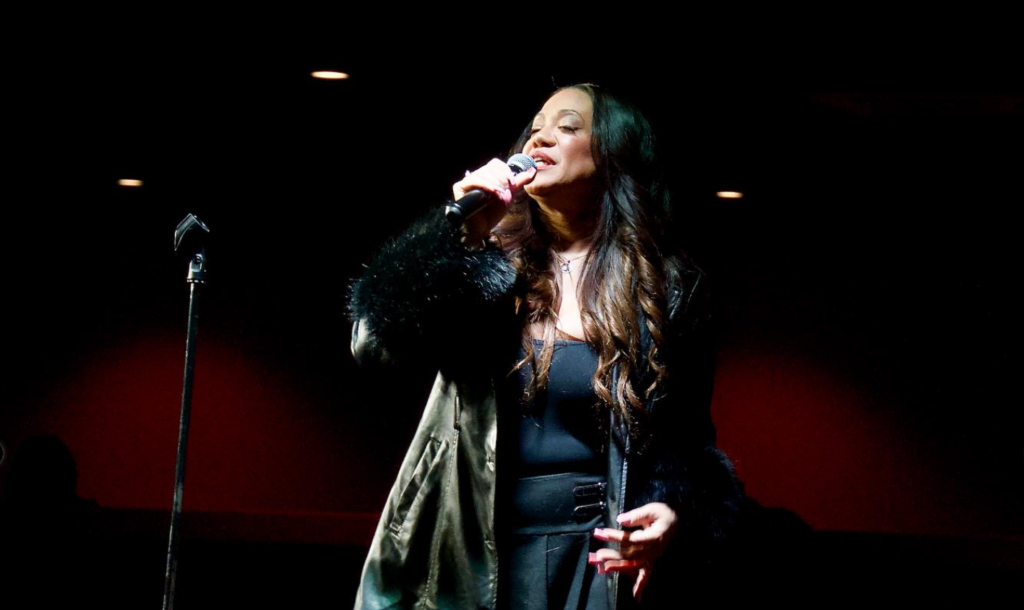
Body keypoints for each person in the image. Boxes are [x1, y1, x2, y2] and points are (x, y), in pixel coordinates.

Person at [348, 83, 743, 609]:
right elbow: (373, 346)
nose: (541, 138)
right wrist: (456, 235)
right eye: (535, 128)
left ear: (612, 154)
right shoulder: (487, 263)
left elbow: (690, 441)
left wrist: (677, 510)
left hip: (598, 557)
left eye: (568, 126)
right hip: (479, 551)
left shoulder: (666, 285)